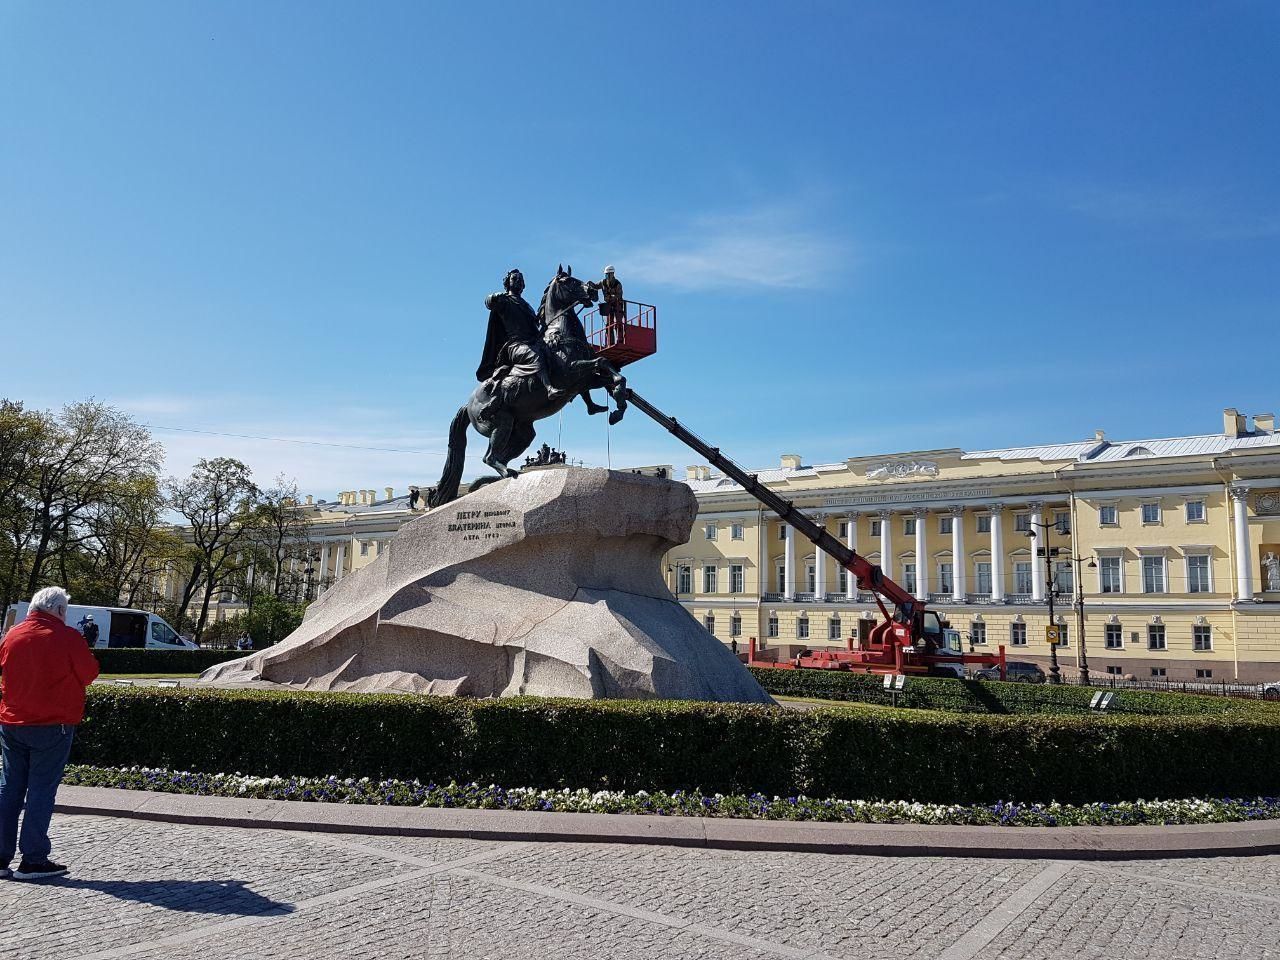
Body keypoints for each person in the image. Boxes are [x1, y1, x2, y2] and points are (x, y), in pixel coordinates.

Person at [0, 586, 100, 881]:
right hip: (52, 724)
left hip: (12, 723)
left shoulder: (12, 637)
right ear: (58, 610)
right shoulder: (68, 638)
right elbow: (89, 674)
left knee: (9, 788)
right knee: (41, 790)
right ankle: (33, 859)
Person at [476, 268, 552, 420]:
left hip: (531, 341)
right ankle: (549, 388)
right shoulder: (504, 300)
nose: (517, 281)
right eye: (514, 279)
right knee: (535, 356)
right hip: (514, 345)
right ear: (507, 283)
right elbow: (488, 302)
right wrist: (493, 297)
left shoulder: (527, 306)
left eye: (520, 280)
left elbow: (534, 326)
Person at [590, 266, 625, 346]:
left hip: (617, 305)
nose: (607, 277)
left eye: (609, 275)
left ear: (612, 274)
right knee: (609, 324)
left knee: (618, 323)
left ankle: (620, 340)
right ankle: (610, 342)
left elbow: (619, 295)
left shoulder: (617, 284)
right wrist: (590, 284)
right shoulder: (603, 282)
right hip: (609, 305)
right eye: (606, 275)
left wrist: (611, 298)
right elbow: (595, 286)